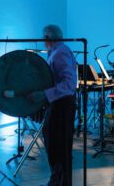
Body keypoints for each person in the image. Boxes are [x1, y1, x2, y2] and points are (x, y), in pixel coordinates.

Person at [28, 25, 77, 186]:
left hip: (62, 105)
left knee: (59, 148)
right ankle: (57, 182)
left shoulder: (61, 52)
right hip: (57, 104)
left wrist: (43, 94)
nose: (42, 41)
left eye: (44, 37)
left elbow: (69, 84)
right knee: (54, 145)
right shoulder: (56, 51)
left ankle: (60, 183)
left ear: (48, 38)